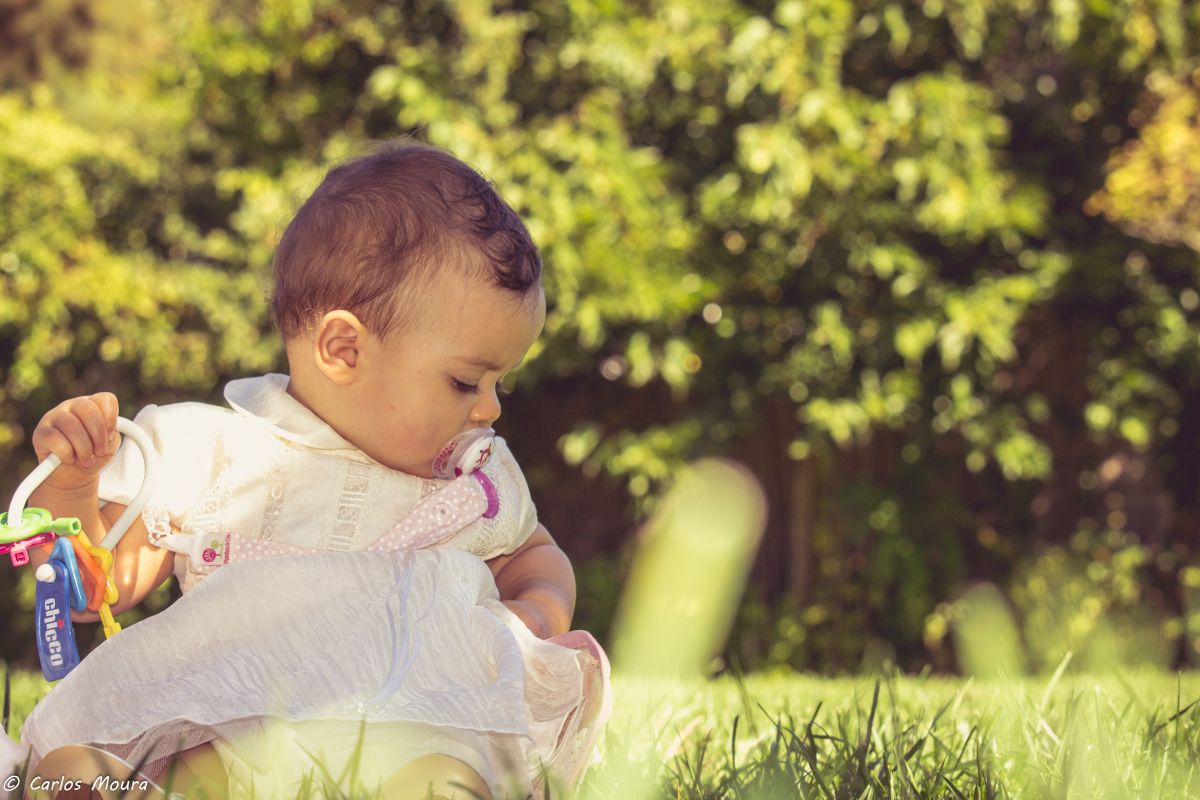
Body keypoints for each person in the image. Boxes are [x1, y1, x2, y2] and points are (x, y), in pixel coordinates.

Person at [2, 142, 609, 799]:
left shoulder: (468, 483)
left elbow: (529, 553)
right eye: (466, 380)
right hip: (242, 735)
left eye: (498, 383)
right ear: (343, 349)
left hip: (407, 733)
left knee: (444, 770)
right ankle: (122, 787)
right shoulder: (216, 451)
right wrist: (75, 485)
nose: (488, 408)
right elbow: (108, 590)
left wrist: (536, 613)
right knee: (191, 757)